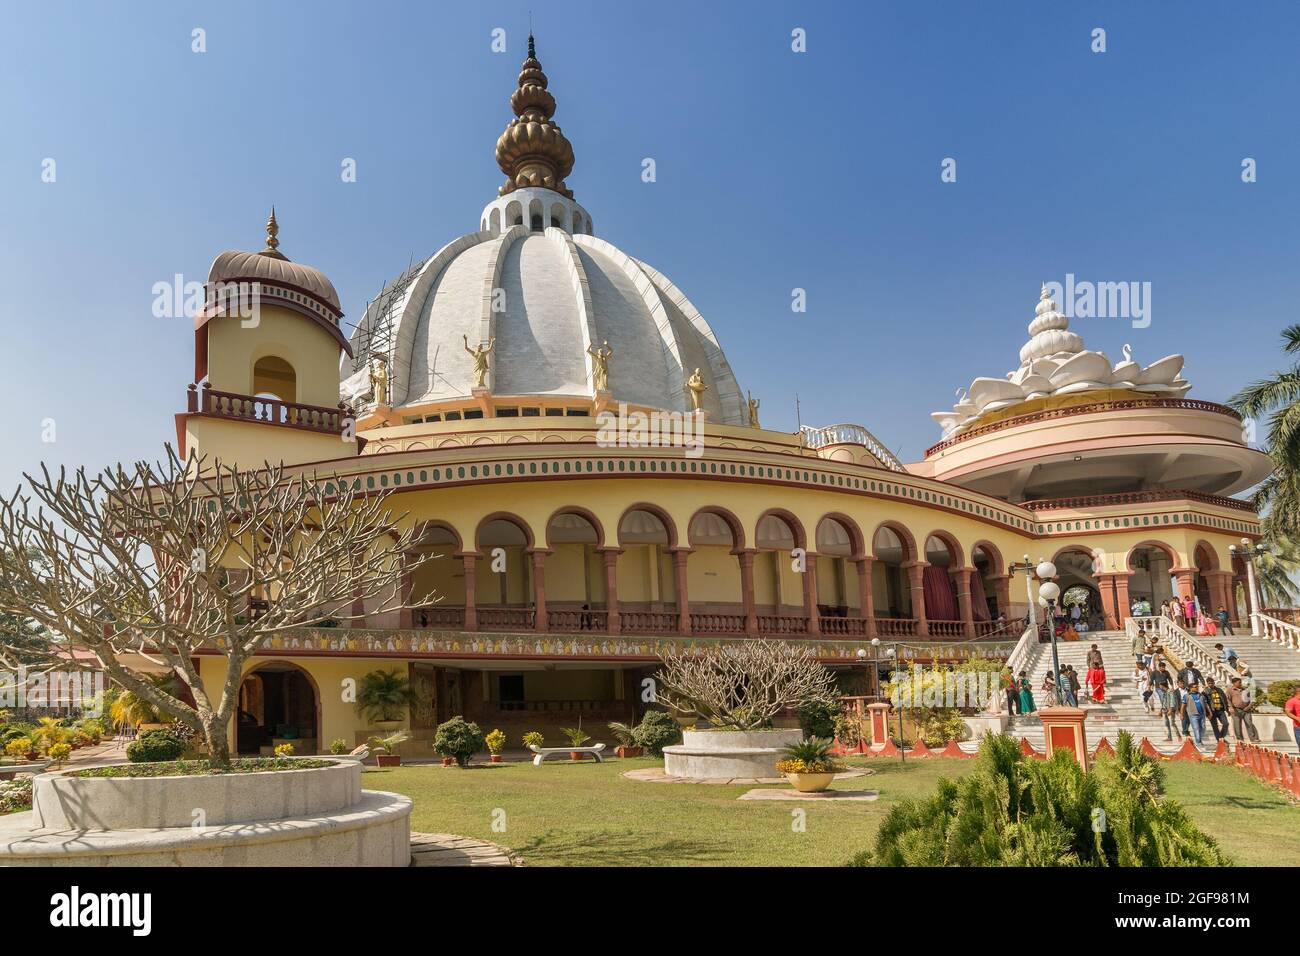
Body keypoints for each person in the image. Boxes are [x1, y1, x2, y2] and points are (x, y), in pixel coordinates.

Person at [1227, 677, 1259, 743]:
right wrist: (1231, 708)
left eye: (1241, 682)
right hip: (1236, 710)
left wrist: (1249, 707)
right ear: (1234, 683)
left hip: (1247, 710)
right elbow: (1228, 700)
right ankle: (1240, 739)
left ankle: (1253, 739)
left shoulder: (1246, 689)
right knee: (1237, 725)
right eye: (1239, 682)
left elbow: (1252, 699)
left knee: (1249, 723)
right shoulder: (1230, 690)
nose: (1241, 683)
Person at [1151, 662, 1176, 741]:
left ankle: (1163, 709)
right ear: (1159, 667)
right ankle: (1163, 709)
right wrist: (1149, 686)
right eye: (1162, 667)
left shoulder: (1166, 672)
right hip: (1158, 688)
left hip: (1166, 688)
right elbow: (1151, 680)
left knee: (1166, 697)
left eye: (1164, 667)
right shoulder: (1155, 672)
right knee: (1162, 697)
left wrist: (1172, 686)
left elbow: (1170, 679)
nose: (1163, 668)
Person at [1180, 681, 1208, 748]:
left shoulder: (1201, 695)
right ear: (1191, 688)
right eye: (1195, 687)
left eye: (1197, 687)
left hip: (1202, 714)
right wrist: (1182, 714)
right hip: (1193, 715)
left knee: (1203, 728)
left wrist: (1209, 712)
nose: (1197, 688)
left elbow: (1206, 705)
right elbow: (1183, 706)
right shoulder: (1186, 696)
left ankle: (1199, 739)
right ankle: (1198, 742)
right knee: (1196, 728)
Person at [1203, 677, 1230, 742]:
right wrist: (1207, 713)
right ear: (1207, 683)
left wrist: (1227, 709)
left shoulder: (1219, 690)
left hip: (1220, 710)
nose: (1211, 684)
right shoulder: (1205, 692)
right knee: (1215, 726)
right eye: (1209, 683)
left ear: (1214, 683)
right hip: (1212, 711)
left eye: (1212, 683)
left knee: (1226, 724)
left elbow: (1224, 700)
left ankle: (1221, 736)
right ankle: (1219, 739)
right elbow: (1204, 704)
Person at [1287, 685, 1300, 753]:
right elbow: (1288, 712)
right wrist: (1297, 718)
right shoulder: (1291, 701)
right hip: (1298, 728)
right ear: (1298, 692)